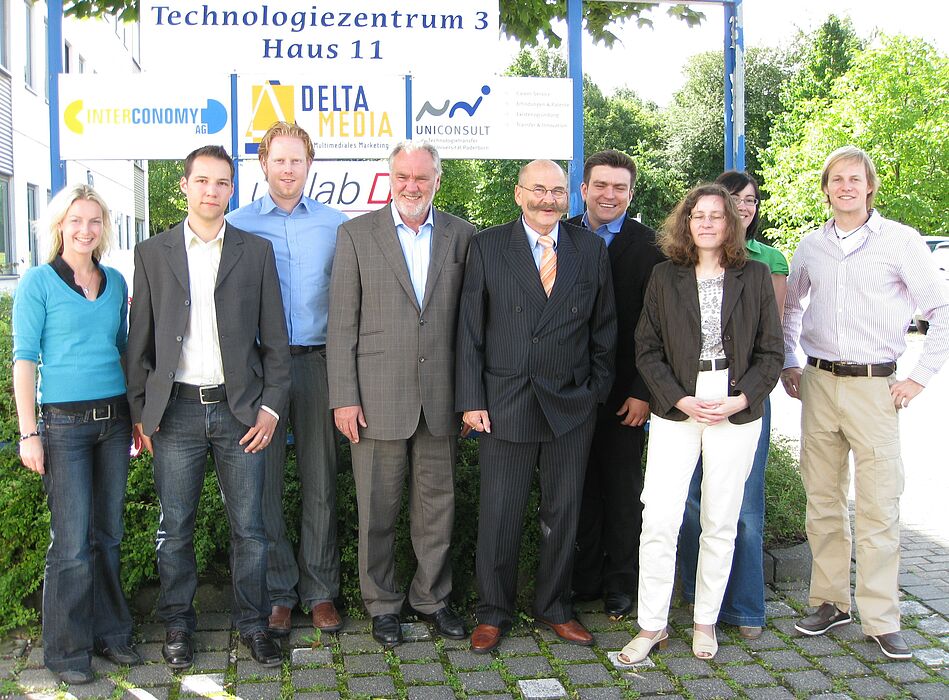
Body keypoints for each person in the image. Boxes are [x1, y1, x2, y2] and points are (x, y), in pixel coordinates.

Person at [781, 145, 949, 660]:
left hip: (877, 388)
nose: (846, 187)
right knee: (823, 501)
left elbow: (941, 309)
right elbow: (791, 308)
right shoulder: (810, 245)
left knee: (878, 506)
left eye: (855, 179)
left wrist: (918, 380)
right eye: (837, 179)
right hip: (819, 384)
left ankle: (881, 617)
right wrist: (791, 362)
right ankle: (830, 602)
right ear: (826, 187)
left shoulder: (901, 241)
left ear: (869, 186)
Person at [126, 145, 291, 669]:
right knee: (175, 526)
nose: (211, 191)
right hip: (174, 413)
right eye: (202, 181)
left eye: (222, 183)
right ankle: (177, 623)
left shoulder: (255, 251)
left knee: (251, 529)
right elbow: (141, 343)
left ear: (232, 190)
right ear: (185, 186)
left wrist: (270, 409)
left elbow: (277, 346)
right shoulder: (153, 253)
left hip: (240, 412)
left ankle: (252, 624)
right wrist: (140, 412)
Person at [456, 159, 617, 653]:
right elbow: (469, 331)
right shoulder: (486, 246)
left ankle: (555, 607)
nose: (549, 200)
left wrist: (594, 394)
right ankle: (492, 611)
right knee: (499, 515)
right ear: (517, 193)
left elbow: (604, 328)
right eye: (539, 190)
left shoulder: (588, 249)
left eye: (557, 191)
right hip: (504, 404)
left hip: (570, 405)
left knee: (563, 514)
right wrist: (470, 400)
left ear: (570, 196)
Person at [618, 183, 782, 665]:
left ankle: (705, 619)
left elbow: (772, 350)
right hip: (677, 404)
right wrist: (679, 398)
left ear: (732, 222)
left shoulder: (752, 275)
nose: (707, 222)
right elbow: (646, 348)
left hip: (735, 405)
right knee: (661, 517)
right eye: (698, 215)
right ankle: (651, 624)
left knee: (720, 518)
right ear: (686, 223)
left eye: (717, 215)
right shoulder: (665, 276)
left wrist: (740, 399)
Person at [327, 140, 475, 649]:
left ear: (438, 179)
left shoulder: (463, 236)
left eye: (422, 177)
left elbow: (470, 326)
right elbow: (341, 323)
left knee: (437, 509)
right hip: (375, 400)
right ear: (389, 179)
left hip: (441, 400)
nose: (412, 186)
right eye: (403, 177)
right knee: (377, 511)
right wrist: (343, 396)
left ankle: (432, 599)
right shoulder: (355, 235)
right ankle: (383, 604)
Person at [12, 185, 142, 685]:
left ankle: (111, 634)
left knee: (108, 536)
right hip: (62, 425)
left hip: (112, 422)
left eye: (94, 221)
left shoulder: (114, 281)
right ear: (59, 226)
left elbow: (124, 350)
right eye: (75, 220)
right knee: (70, 543)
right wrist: (29, 434)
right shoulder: (39, 283)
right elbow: (25, 361)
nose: (85, 230)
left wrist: (135, 419)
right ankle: (66, 650)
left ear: (104, 228)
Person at [228, 121, 348, 637]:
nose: (288, 169)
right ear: (263, 164)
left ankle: (320, 592)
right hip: (261, 370)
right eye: (279, 160)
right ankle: (279, 592)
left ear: (309, 164)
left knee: (321, 481)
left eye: (297, 160)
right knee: (265, 484)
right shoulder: (236, 225)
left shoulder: (337, 224)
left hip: (320, 363)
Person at [678, 171, 788, 640]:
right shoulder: (679, 266)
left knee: (741, 508)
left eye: (750, 201)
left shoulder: (764, 263)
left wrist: (745, 396)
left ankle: (744, 608)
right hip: (688, 400)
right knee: (689, 503)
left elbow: (771, 338)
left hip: (743, 396)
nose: (744, 208)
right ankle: (695, 596)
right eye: (732, 201)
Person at [568, 150, 664, 619]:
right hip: (567, 393)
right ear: (583, 189)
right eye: (601, 185)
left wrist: (644, 390)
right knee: (577, 489)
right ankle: (582, 579)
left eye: (620, 188)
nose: (610, 195)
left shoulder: (652, 246)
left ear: (630, 193)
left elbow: (658, 327)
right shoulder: (558, 235)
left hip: (627, 393)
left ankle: (621, 584)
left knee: (623, 492)